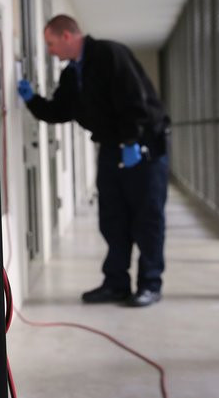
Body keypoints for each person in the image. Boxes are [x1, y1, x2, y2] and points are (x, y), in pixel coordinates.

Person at [18, 15, 170, 307]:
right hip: (112, 148)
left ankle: (150, 284)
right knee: (112, 219)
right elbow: (60, 111)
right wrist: (31, 99)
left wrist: (131, 141)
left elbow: (134, 99)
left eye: (50, 43)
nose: (50, 51)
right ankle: (116, 284)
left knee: (147, 218)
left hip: (143, 145)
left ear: (67, 36)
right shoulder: (71, 74)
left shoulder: (109, 54)